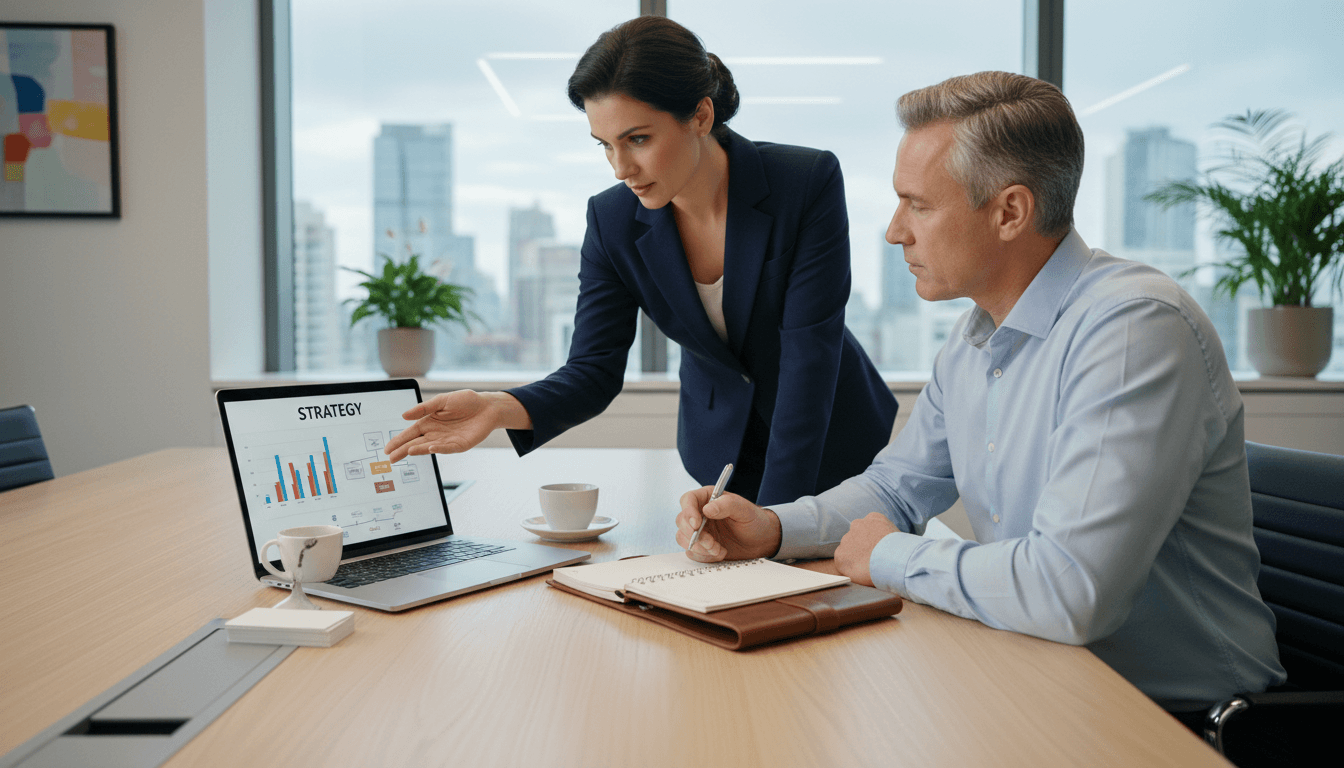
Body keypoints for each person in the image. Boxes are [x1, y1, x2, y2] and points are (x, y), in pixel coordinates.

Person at [676, 71, 1286, 714]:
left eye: (918, 205)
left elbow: (1070, 589)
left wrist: (889, 556)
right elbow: (895, 489)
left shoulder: (1134, 330)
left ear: (1010, 212)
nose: (895, 231)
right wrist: (772, 528)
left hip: (1179, 721)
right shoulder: (977, 337)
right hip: (1045, 680)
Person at [384, 17, 896, 506]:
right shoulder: (612, 221)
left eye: (638, 139)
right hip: (722, 459)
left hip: (835, 450)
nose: (621, 168)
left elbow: (809, 359)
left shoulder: (803, 182)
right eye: (605, 145)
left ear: (700, 116)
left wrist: (778, 522)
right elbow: (593, 370)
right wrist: (498, 407)